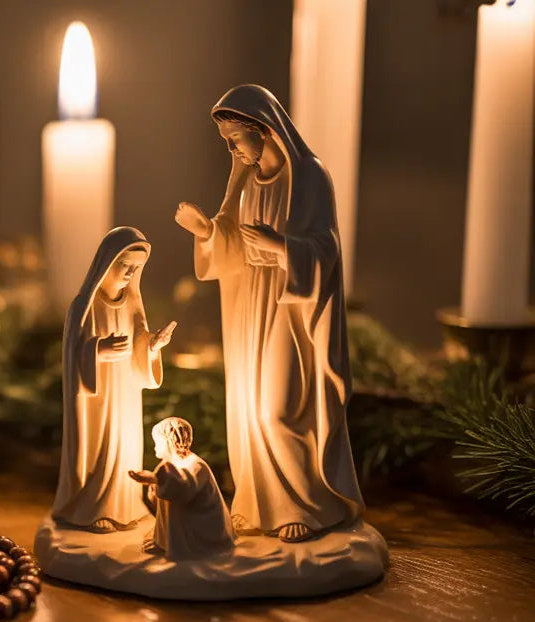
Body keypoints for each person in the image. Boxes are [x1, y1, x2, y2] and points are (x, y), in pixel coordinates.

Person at [173, 84, 364, 542]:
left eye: (236, 138)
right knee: (247, 406)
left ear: (264, 130)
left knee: (280, 407)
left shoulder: (309, 176)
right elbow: (233, 244)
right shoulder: (243, 180)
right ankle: (260, 503)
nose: (233, 149)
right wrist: (206, 232)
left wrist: (281, 247)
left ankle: (306, 505)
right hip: (251, 301)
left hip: (291, 304)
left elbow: (326, 249)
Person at [52, 227, 175, 531]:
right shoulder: (84, 305)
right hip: (97, 397)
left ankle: (125, 505)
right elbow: (71, 357)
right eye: (125, 265)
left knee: (125, 446)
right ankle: (95, 508)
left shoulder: (133, 302)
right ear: (107, 262)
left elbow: (139, 342)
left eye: (137, 268)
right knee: (101, 447)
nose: (131, 273)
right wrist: (97, 349)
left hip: (125, 392)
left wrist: (151, 346)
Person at [129, 417, 235, 560]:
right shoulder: (169, 464)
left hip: (200, 530)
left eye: (157, 442)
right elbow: (167, 487)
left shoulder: (195, 465)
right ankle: (164, 542)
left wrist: (155, 479)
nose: (155, 447)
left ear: (171, 440)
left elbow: (184, 489)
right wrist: (154, 483)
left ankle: (181, 547)